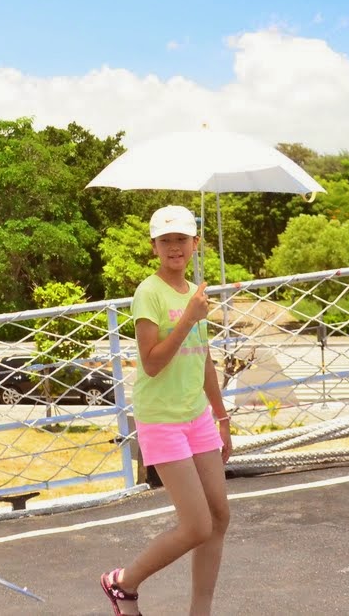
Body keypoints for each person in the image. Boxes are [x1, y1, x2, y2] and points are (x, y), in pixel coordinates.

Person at [100, 204, 231, 616]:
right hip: (162, 420)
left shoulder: (195, 293)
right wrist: (189, 318)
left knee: (219, 516)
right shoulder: (149, 293)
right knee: (197, 526)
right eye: (166, 240)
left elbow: (203, 359)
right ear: (154, 246)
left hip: (197, 416)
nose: (174, 247)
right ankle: (123, 582)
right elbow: (152, 362)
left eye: (182, 239)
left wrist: (222, 417)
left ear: (195, 243)